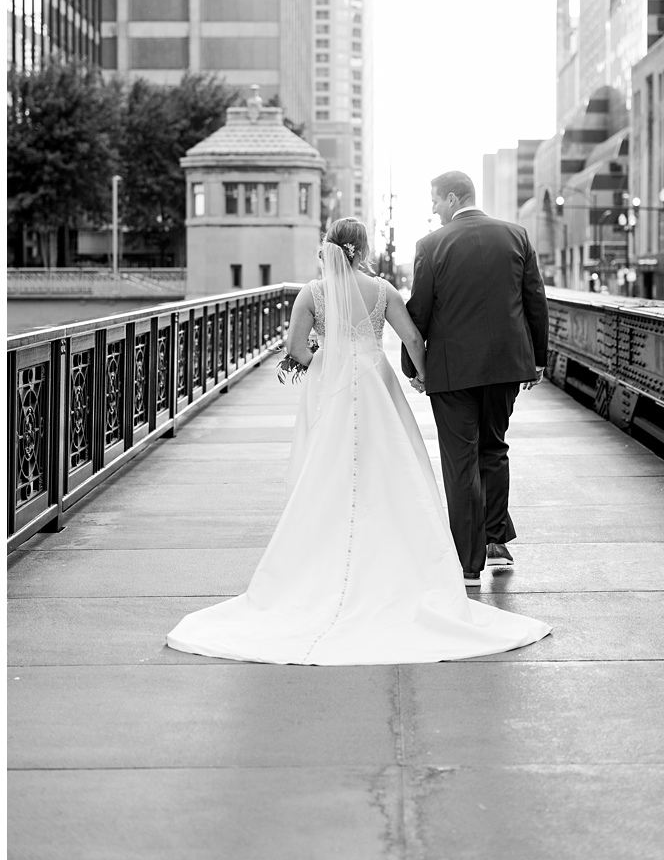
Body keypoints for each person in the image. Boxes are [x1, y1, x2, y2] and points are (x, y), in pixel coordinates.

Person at [165, 218, 550, 665]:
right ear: (363, 248)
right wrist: (423, 377)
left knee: (327, 468)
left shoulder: (312, 292)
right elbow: (412, 337)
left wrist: (322, 362)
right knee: (390, 464)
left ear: (329, 247)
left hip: (331, 386)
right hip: (375, 382)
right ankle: (419, 553)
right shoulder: (382, 289)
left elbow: (294, 348)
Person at [402, 170, 549, 584]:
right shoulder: (516, 235)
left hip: (452, 370)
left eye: (435, 200)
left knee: (460, 459)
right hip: (506, 364)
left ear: (452, 197)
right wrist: (537, 359)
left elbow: (420, 309)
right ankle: (497, 542)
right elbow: (534, 300)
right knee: (494, 447)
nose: (433, 209)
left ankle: (468, 563)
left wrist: (415, 367)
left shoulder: (431, 245)